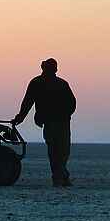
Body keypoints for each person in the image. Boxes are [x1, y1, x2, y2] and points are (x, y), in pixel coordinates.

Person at [12, 58, 76, 186]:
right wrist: (20, 117)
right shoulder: (37, 83)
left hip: (61, 121)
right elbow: (28, 102)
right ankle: (59, 176)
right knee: (56, 150)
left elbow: (72, 103)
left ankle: (61, 175)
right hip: (51, 122)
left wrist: (65, 115)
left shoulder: (61, 83)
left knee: (61, 151)